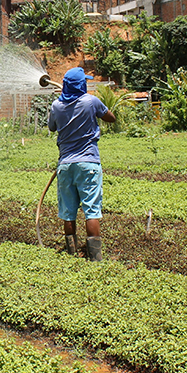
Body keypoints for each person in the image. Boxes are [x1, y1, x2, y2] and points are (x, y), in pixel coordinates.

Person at [48, 67, 116, 261]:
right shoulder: (91, 102)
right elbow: (111, 118)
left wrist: (62, 102)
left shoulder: (56, 106)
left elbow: (52, 127)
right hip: (88, 162)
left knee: (68, 212)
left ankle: (71, 254)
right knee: (91, 211)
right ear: (82, 85)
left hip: (66, 165)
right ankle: (95, 258)